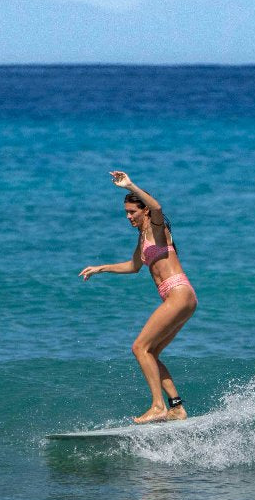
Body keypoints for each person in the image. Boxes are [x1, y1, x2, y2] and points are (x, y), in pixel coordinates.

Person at [79, 171, 198, 424]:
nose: (128, 217)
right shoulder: (142, 237)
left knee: (139, 347)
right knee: (151, 353)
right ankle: (176, 406)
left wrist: (129, 185)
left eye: (132, 211)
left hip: (178, 292)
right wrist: (101, 268)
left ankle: (157, 406)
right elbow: (134, 266)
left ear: (144, 211)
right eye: (126, 213)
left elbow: (157, 205)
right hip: (179, 296)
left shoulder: (157, 226)